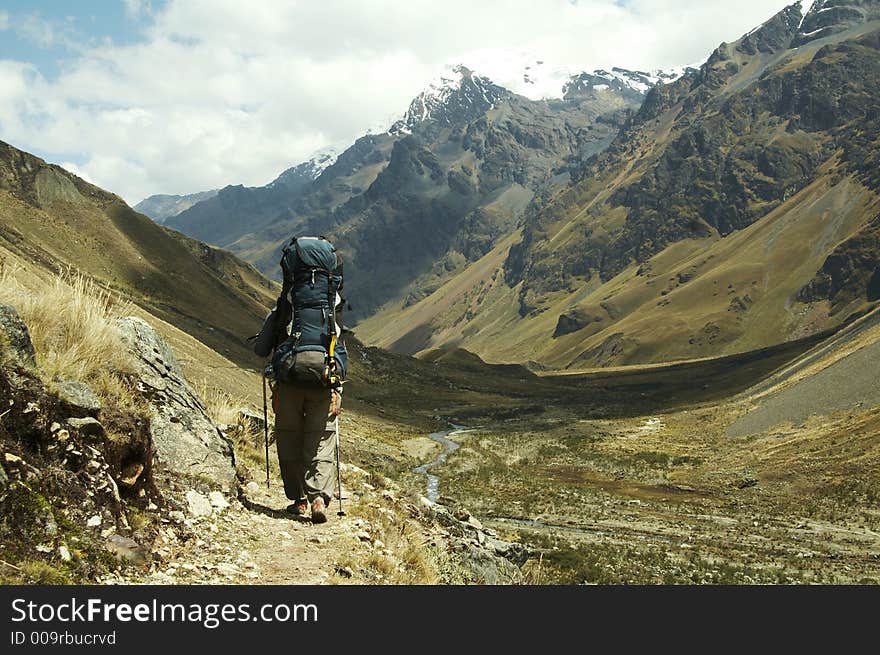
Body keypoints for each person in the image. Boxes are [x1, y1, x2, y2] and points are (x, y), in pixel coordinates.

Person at [253, 236, 347, 524]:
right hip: (324, 378)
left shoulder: (286, 305)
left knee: (290, 437)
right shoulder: (332, 306)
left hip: (289, 381)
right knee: (321, 439)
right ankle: (319, 496)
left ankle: (299, 500)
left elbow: (260, 349)